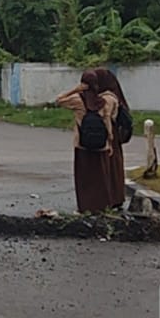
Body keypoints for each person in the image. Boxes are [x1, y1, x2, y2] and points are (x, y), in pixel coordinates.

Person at [54, 69, 120, 213]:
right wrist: (110, 142)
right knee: (101, 178)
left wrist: (75, 89)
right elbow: (107, 122)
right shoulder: (104, 102)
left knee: (84, 179)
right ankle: (102, 207)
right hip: (101, 146)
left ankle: (85, 207)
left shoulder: (78, 100)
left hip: (82, 145)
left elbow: (58, 100)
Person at [92, 67, 129, 209]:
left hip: (108, 133)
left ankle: (108, 197)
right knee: (115, 165)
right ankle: (116, 196)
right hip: (114, 134)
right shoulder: (116, 95)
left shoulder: (106, 98)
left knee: (107, 164)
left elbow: (105, 116)